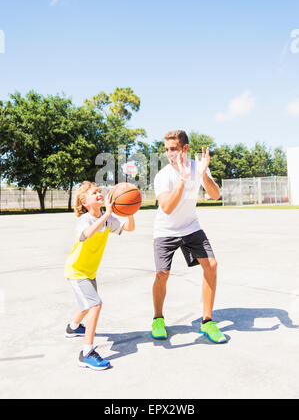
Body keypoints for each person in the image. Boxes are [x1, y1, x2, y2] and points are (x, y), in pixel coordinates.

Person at [151, 130, 226, 343]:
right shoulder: (163, 176)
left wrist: (202, 174)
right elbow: (166, 207)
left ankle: (208, 321)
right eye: (166, 149)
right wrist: (183, 180)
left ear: (185, 148)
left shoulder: (198, 167)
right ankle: (158, 318)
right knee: (162, 275)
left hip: (191, 227)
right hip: (166, 230)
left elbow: (215, 195)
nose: (168, 153)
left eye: (173, 149)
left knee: (211, 265)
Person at [64, 181, 135, 370]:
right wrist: (109, 214)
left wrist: (130, 210)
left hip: (89, 271)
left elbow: (129, 228)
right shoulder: (85, 220)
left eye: (99, 191)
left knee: (87, 306)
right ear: (85, 202)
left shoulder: (106, 218)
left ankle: (73, 327)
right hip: (77, 271)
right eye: (94, 193)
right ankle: (86, 353)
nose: (99, 194)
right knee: (95, 304)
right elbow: (86, 234)